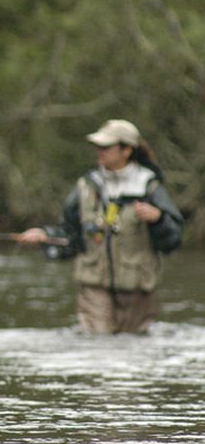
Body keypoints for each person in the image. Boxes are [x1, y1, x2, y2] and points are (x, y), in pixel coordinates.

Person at [17, 119, 183, 334]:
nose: (99, 152)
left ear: (126, 150)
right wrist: (44, 235)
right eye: (98, 147)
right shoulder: (86, 186)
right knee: (98, 344)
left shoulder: (149, 187)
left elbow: (173, 240)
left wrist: (158, 219)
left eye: (106, 147)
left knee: (134, 347)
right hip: (94, 288)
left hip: (137, 291)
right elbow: (70, 233)